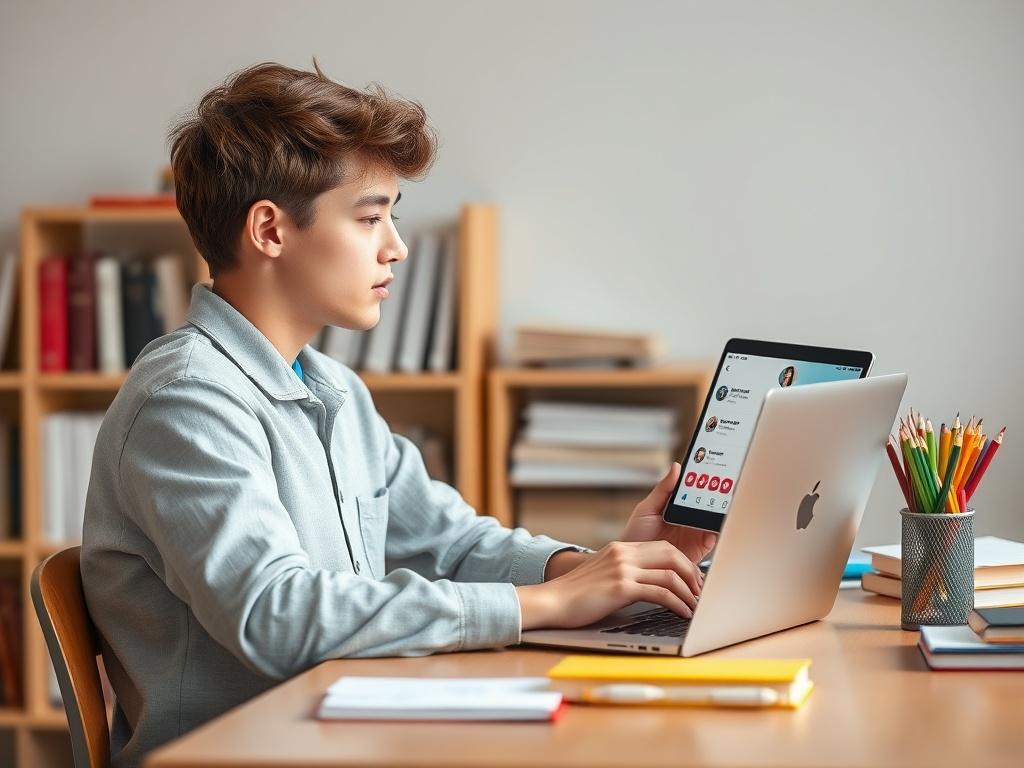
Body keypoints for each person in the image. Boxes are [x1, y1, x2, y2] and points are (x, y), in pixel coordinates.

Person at [80, 61, 716, 768]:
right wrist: (547, 605)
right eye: (369, 217)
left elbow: (450, 546)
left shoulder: (334, 391)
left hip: (340, 734)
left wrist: (596, 568)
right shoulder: (187, 399)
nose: (397, 247)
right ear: (270, 230)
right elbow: (276, 615)